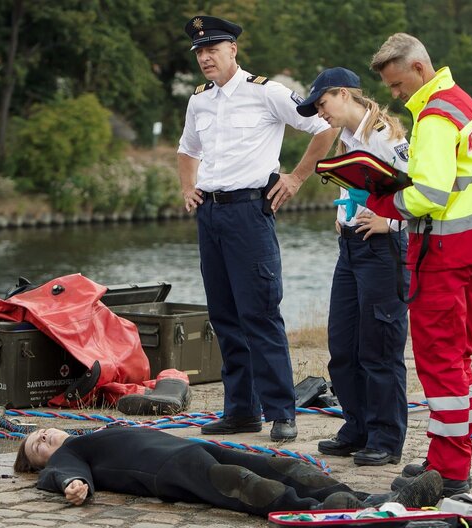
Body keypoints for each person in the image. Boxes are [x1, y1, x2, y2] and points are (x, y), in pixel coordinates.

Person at [346, 33, 472, 496]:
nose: (394, 95)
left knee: (440, 363)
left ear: (418, 70)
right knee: (458, 359)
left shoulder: (436, 116)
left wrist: (383, 197)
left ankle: (452, 471)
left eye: (397, 85)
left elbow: (430, 194)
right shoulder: (460, 102)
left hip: (444, 253)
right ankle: (445, 456)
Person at [177, 15, 338, 442]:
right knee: (224, 317)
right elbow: (186, 148)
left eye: (213, 49)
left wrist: (297, 177)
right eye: (200, 52)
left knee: (260, 315)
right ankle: (242, 411)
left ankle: (282, 411)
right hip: (210, 214)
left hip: (250, 211)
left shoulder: (266, 92)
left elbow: (323, 127)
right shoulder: (199, 101)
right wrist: (187, 186)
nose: (205, 57)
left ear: (233, 49)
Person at [294, 67, 410, 467]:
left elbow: (418, 188)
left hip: (382, 247)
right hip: (350, 248)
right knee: (343, 345)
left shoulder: (386, 136)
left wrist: (390, 222)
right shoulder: (345, 140)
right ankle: (356, 426)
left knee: (379, 348)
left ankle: (385, 437)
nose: (319, 113)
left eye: (322, 104)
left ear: (344, 95)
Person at [13, 426, 444, 515]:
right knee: (245, 485)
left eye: (45, 433)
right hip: (170, 469)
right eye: (38, 447)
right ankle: (335, 510)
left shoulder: (90, 432)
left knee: (284, 464)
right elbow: (64, 475)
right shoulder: (69, 458)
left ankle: (377, 500)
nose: (46, 439)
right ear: (39, 464)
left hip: (194, 447)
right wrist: (72, 483)